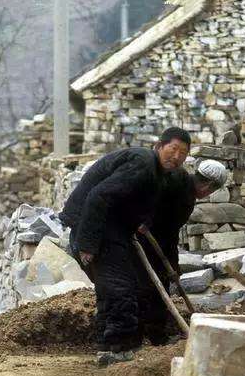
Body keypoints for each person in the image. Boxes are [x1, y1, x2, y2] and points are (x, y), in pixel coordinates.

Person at [60, 127, 191, 362]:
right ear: (159, 146)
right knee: (120, 285)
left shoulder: (157, 174)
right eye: (173, 149)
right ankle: (116, 348)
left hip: (110, 225)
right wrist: (87, 244)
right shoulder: (142, 164)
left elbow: (130, 200)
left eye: (183, 153)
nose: (177, 157)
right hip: (93, 223)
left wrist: (141, 221)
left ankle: (111, 344)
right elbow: (99, 196)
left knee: (117, 283)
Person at [136, 160, 229, 346]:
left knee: (157, 284)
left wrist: (173, 264)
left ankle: (153, 333)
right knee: (149, 288)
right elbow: (152, 202)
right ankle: (151, 336)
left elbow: (171, 231)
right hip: (142, 238)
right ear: (208, 186)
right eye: (211, 191)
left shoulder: (185, 190)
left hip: (156, 241)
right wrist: (144, 221)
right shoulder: (178, 184)